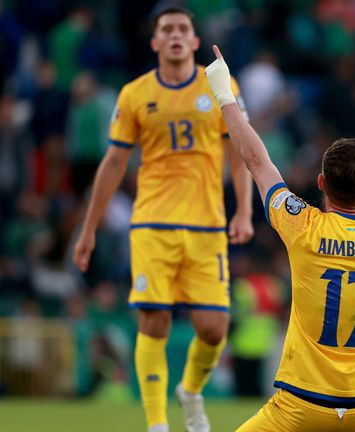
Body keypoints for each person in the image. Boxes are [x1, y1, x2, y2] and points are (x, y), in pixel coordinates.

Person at [205, 45, 355, 432]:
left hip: (301, 405)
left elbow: (255, 160)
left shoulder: (302, 228)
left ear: (320, 183)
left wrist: (223, 93)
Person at [72, 7, 253, 432]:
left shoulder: (221, 85)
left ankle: (190, 391)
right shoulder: (134, 94)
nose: (175, 35)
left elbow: (240, 151)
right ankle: (157, 423)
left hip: (207, 225)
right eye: (166, 29)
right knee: (154, 319)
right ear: (154, 42)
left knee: (213, 330)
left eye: (183, 29)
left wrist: (244, 209)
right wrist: (89, 227)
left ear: (194, 41)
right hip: (152, 223)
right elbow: (113, 163)